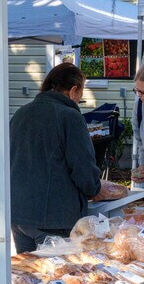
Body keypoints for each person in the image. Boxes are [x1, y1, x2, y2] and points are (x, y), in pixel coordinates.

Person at [10, 62, 101, 254]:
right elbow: (83, 168)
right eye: (81, 96)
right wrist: (95, 187)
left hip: (18, 214)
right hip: (54, 218)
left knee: (29, 278)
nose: (79, 101)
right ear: (74, 90)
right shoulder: (70, 117)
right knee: (58, 277)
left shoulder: (20, 113)